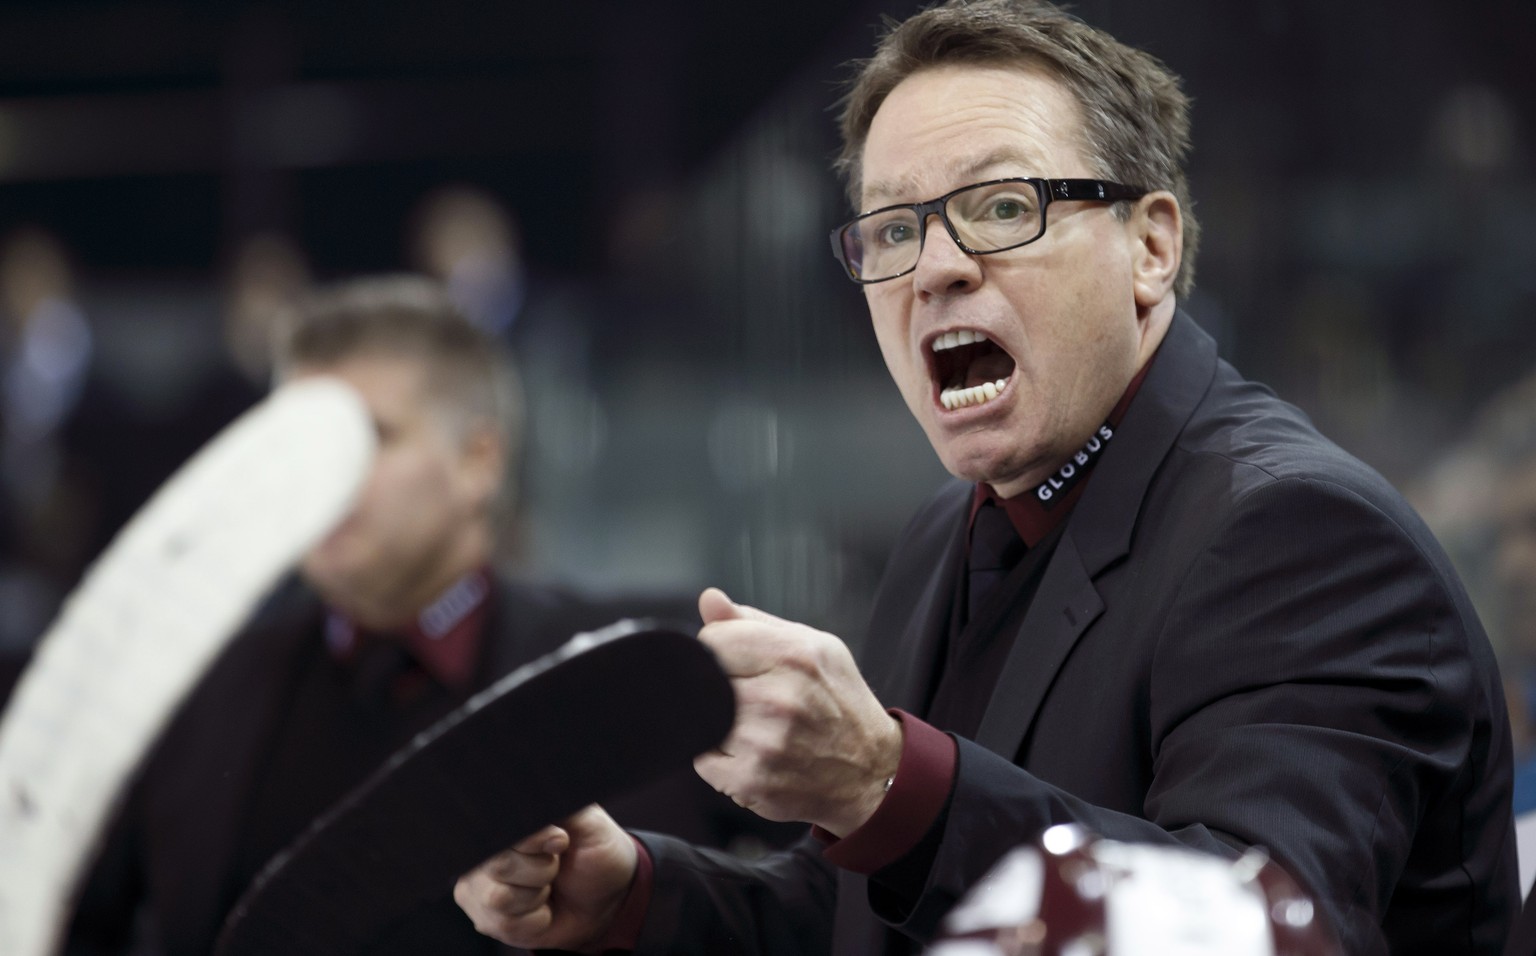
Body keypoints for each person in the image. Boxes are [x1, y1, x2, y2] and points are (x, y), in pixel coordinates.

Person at [453, 2, 1518, 954]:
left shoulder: (1300, 531)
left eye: (1003, 207)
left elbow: (1256, 924)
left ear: (1150, 247)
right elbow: (873, 913)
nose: (935, 266)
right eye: (894, 228)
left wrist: (881, 780)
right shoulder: (944, 535)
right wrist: (636, 893)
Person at [63, 275, 784, 956]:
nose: (318, 474)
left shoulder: (641, 681)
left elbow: (812, 903)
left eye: (368, 437)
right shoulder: (190, 695)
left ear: (479, 461)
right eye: (296, 444)